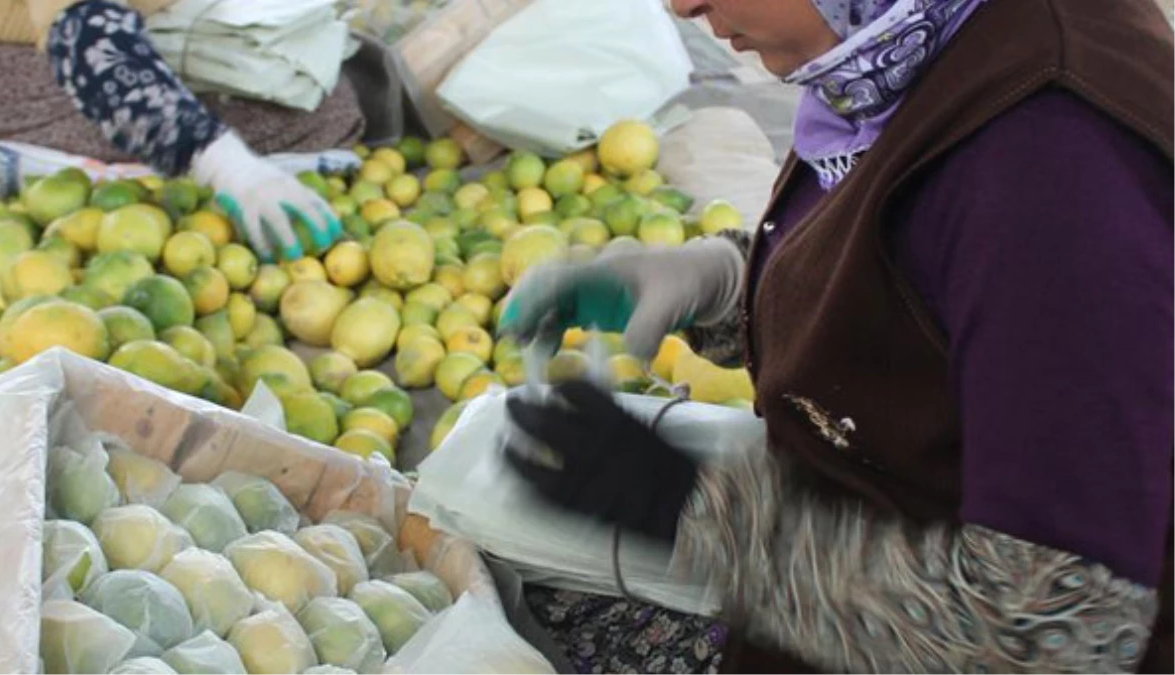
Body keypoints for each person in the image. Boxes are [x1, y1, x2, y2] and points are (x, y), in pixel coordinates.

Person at [499, 0, 1175, 672]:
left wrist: (703, 512)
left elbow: (1061, 631)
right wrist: (729, 283)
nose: (684, 5)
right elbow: (918, 286)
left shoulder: (1057, 174)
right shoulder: (914, 46)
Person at [0, 0, 364, 261]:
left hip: (149, 26)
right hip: (30, 78)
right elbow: (88, 43)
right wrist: (230, 167)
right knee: (289, 123)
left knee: (327, 89)